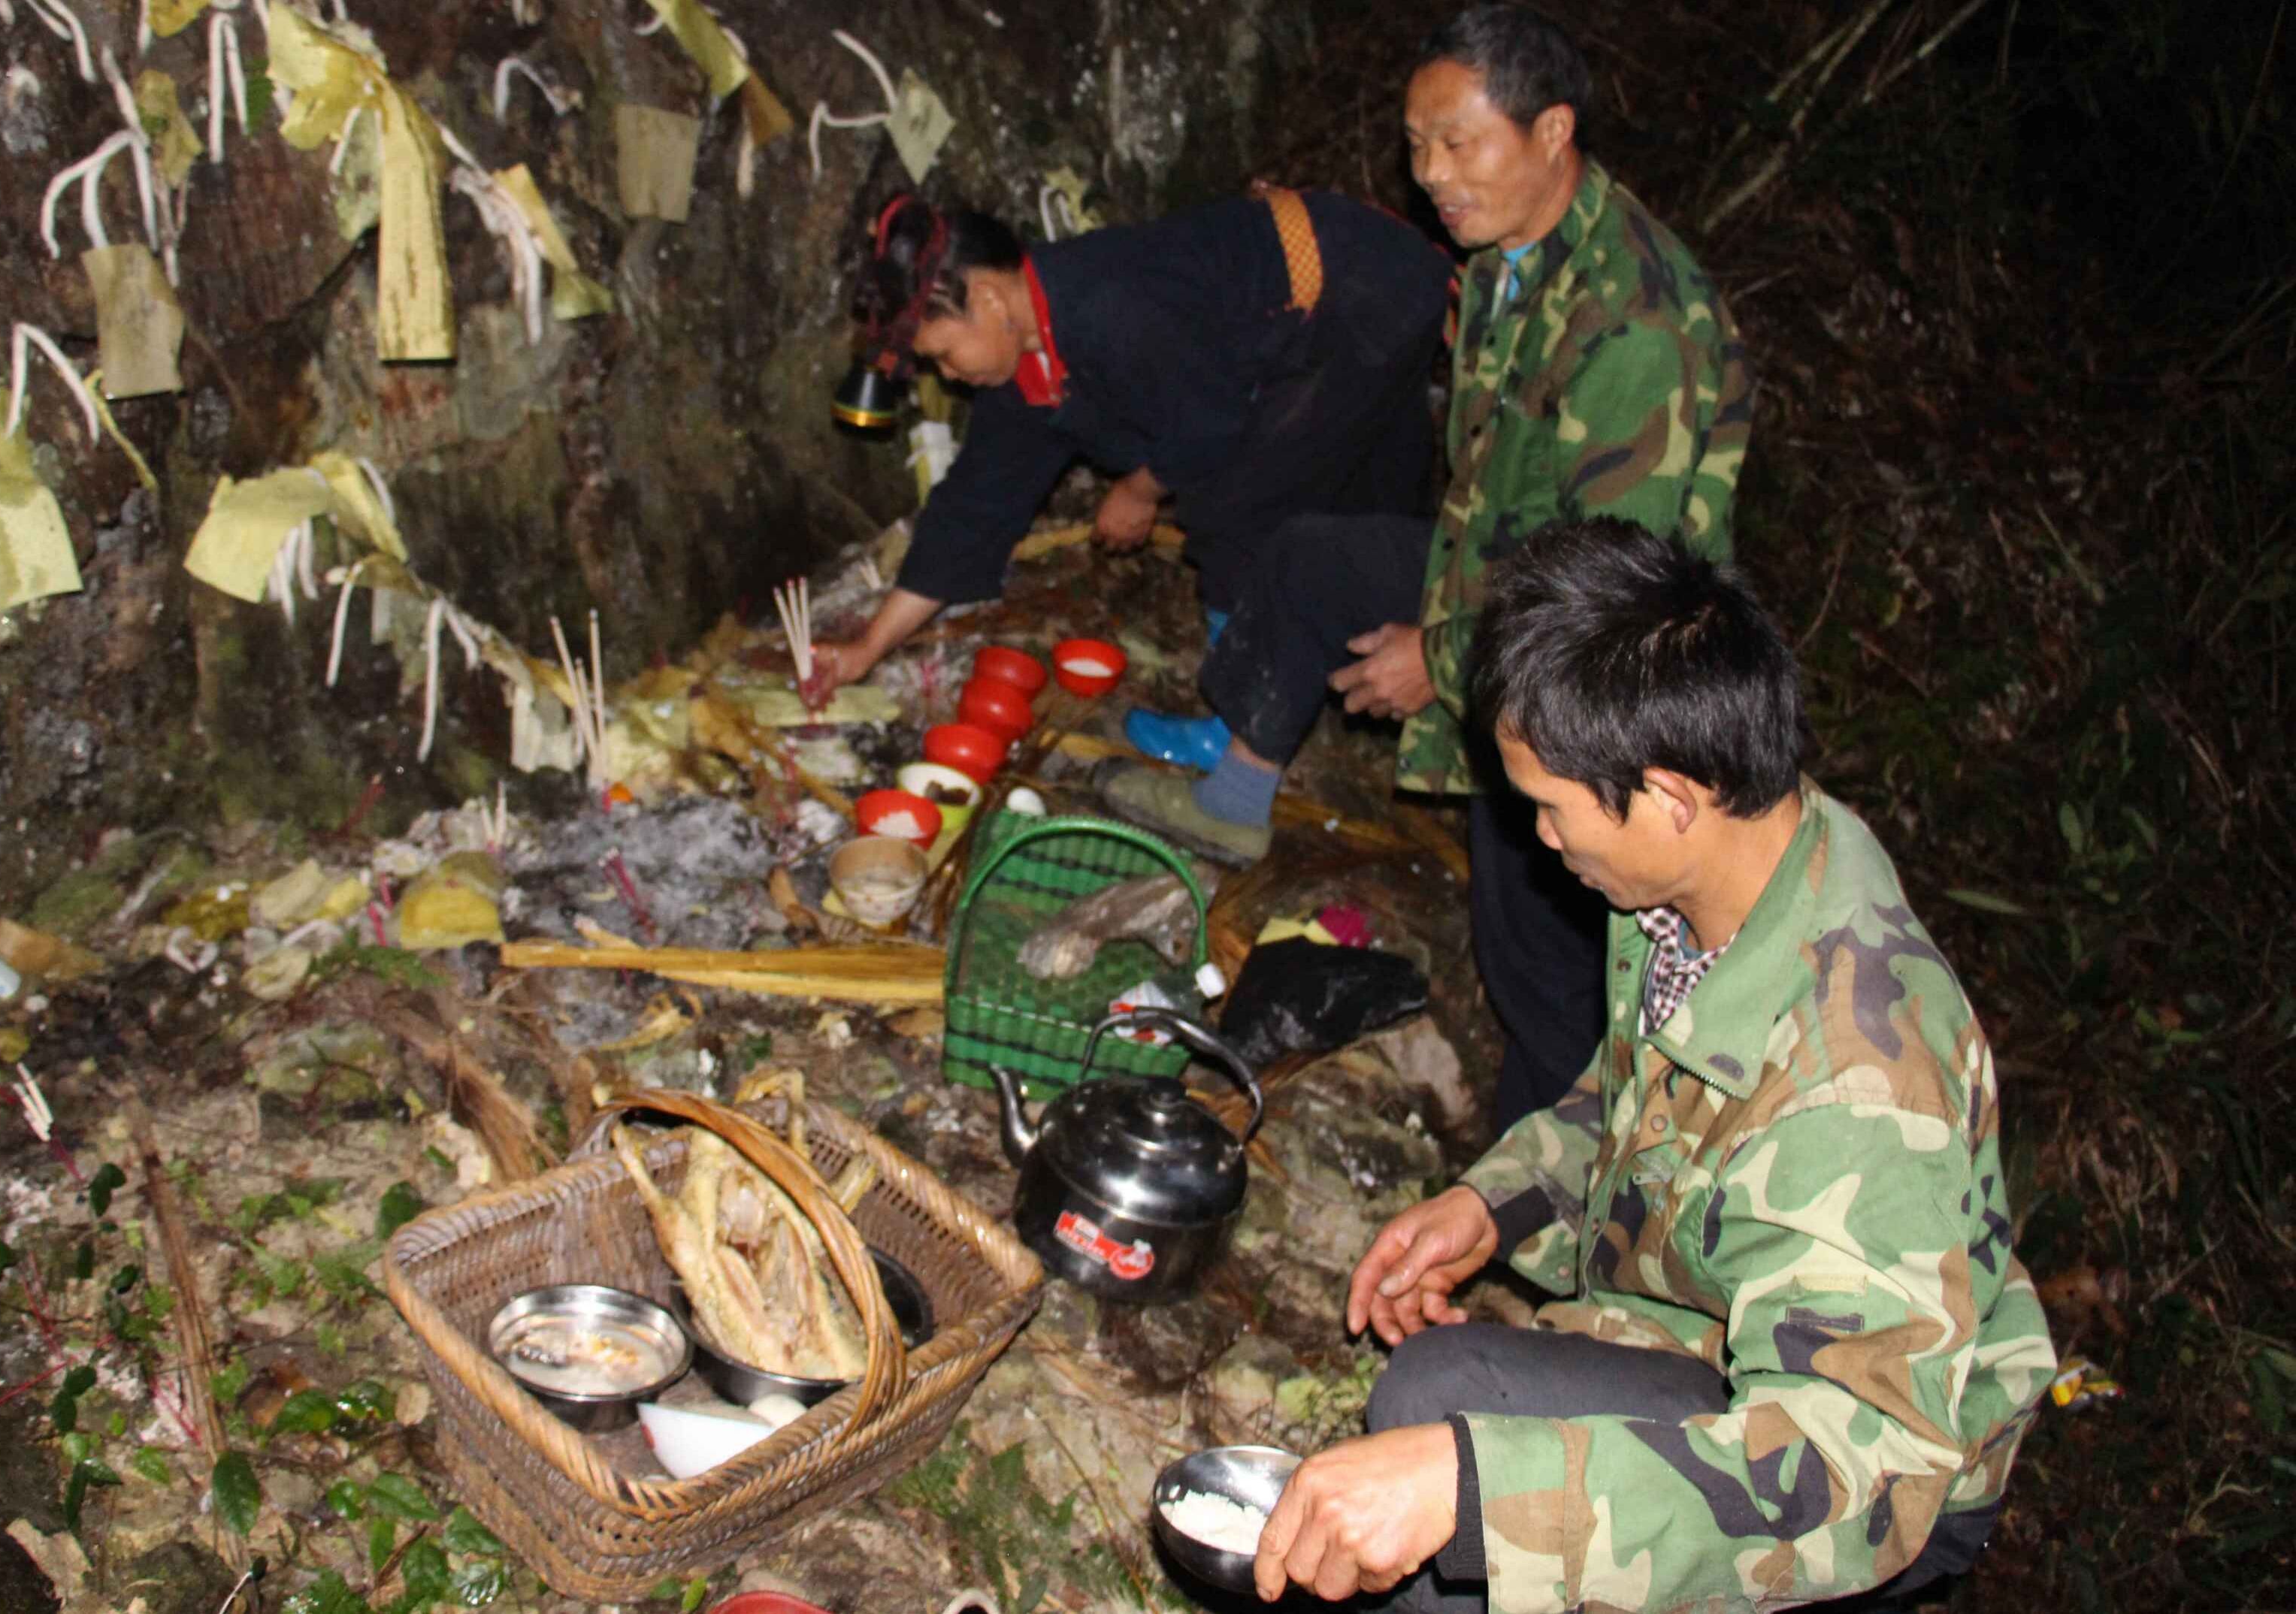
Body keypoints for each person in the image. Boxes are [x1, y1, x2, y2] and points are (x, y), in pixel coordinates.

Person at [1248, 517, 2053, 1613]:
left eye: (1548, 808)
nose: (1540, 840)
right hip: (1708, 1339)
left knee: (1457, 1528)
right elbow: (1637, 1102)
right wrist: (1492, 1205)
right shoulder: (1707, 883)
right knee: (1437, 1408)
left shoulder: (1862, 1088)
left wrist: (1487, 1492)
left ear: (1668, 796)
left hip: (1847, 1482)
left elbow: (1860, 1474)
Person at [1122, 4, 1755, 1107]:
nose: (1429, 175)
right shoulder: (1510, 259)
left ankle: (1543, 1223)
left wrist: (1445, 655)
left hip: (1605, 697)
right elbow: (1483, 475)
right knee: (1315, 559)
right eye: (1416, 145)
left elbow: (1612, 595)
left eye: (1459, 143)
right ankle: (1233, 791)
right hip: (1499, 584)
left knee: (1542, 960)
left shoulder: (1636, 329)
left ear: (1550, 131)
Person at [803, 190, 1451, 861]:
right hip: (1313, 314)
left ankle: (1244, 736)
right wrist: (865, 650)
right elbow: (970, 510)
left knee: (1236, 503)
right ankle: (1351, 655)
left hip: (1364, 286)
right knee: (1323, 493)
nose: (949, 374)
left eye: (944, 354)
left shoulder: (1108, 304)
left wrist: (1140, 490)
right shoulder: (1028, 361)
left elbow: (1210, 423)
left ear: (991, 301)